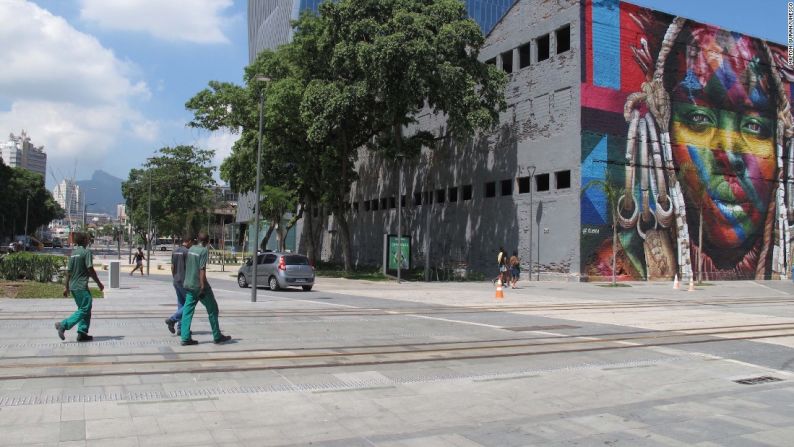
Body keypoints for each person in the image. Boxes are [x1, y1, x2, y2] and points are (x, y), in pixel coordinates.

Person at [584, 16, 792, 281]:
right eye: (699, 119)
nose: (729, 155)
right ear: (663, 129)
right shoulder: (619, 266)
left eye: (754, 126)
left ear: (780, 142)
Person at [180, 232, 231, 346]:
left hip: (189, 284)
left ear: (197, 239)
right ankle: (217, 336)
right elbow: (202, 269)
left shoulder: (191, 249)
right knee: (213, 309)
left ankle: (185, 337)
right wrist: (202, 287)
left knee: (187, 312)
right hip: (200, 286)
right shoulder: (203, 251)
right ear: (208, 242)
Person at [56, 232, 104, 342]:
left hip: (73, 286)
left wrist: (66, 287)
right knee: (85, 308)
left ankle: (82, 333)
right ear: (84, 240)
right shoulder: (86, 252)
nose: (89, 240)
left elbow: (69, 272)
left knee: (84, 309)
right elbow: (90, 269)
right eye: (88, 238)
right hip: (81, 286)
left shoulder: (73, 253)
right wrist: (99, 283)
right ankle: (63, 325)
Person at [165, 235, 192, 335]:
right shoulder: (187, 252)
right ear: (188, 241)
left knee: (181, 304)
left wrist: (175, 276)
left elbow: (172, 267)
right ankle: (172, 320)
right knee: (189, 305)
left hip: (176, 280)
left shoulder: (175, 251)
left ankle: (181, 328)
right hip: (185, 282)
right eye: (191, 242)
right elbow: (190, 268)